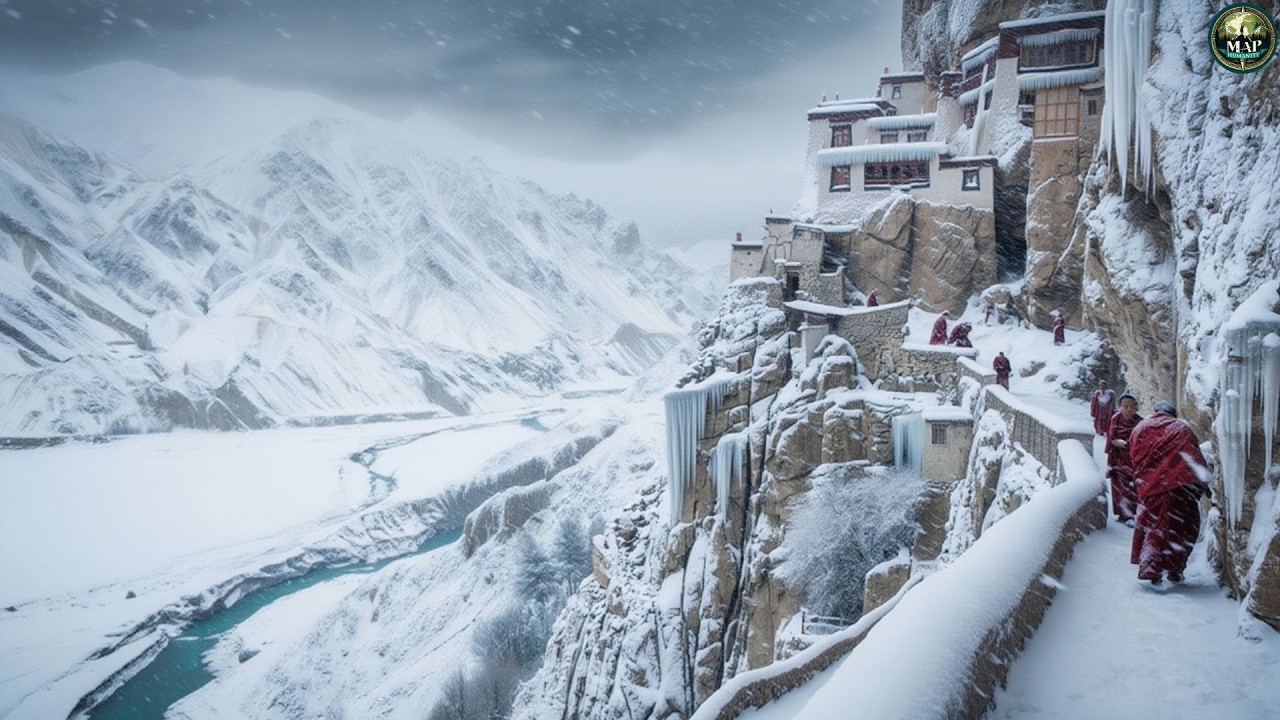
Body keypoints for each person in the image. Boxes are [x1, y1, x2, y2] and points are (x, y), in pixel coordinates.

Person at [1129, 400, 1212, 588]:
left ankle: (1152, 572)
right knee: (1183, 530)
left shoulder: (1140, 428)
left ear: (1155, 411)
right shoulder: (1181, 429)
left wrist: (1147, 478)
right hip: (1179, 491)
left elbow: (1134, 456)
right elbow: (1194, 458)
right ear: (1173, 413)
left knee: (1154, 530)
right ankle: (1175, 569)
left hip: (1152, 489)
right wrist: (1202, 485)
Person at [1105, 392, 1142, 525]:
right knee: (1119, 488)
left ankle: (1132, 514)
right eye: (1125, 406)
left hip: (1133, 461)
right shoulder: (1115, 419)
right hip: (1118, 460)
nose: (1128, 409)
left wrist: (1128, 444)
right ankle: (1122, 513)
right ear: (1120, 406)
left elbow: (1143, 442)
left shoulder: (1140, 422)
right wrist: (1114, 443)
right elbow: (1110, 437)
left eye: (1131, 407)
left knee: (1132, 488)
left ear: (1136, 408)